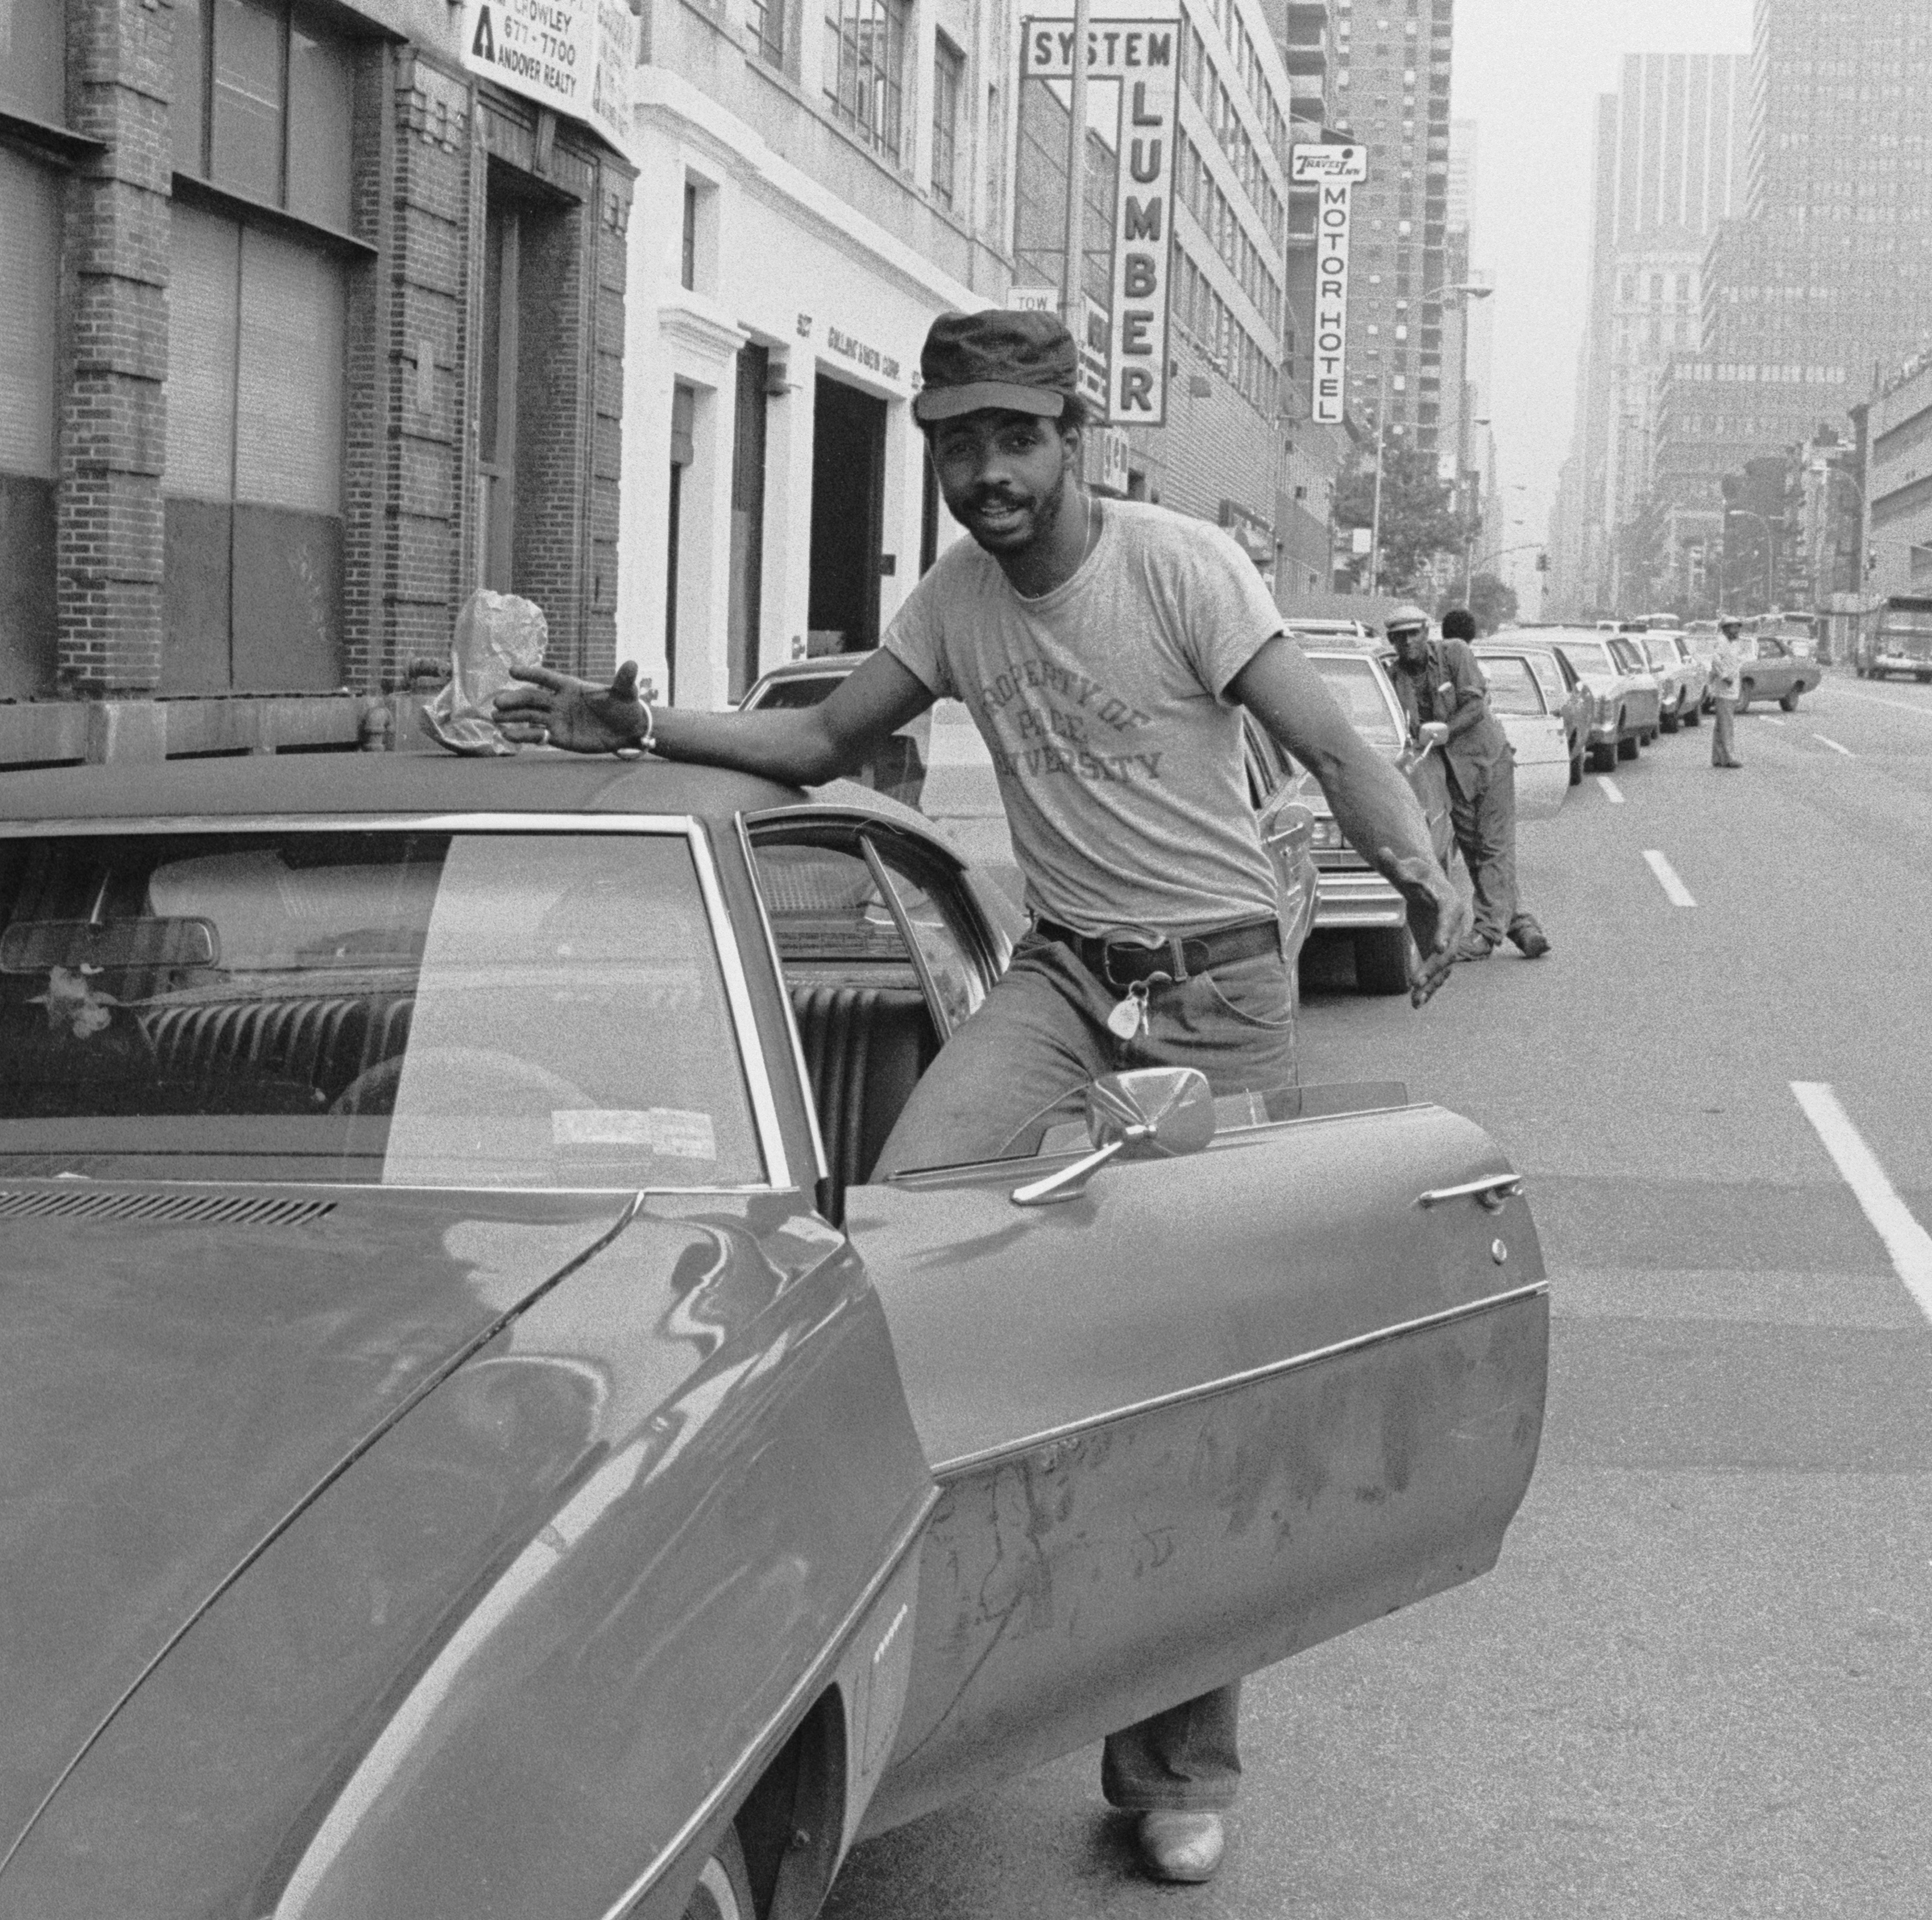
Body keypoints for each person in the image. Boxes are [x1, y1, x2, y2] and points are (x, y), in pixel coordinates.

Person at [494, 305, 1465, 1886]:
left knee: (1199, 1362)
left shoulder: (1181, 571)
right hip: (1067, 976)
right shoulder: (952, 601)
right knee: (905, 1239)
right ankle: (917, 1641)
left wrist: (1420, 871)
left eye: (1017, 438)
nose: (990, 473)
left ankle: (1178, 1761)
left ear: (1073, 435)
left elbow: (1332, 743)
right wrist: (637, 721)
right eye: (961, 444)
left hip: (1215, 994)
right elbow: (817, 739)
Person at [1406, 609, 1548, 962]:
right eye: (1397, 637)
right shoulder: (1395, 676)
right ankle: (1520, 925)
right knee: (1476, 852)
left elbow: (1475, 707)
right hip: (1451, 774)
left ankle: (1485, 933)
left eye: (1412, 633)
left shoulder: (1455, 653)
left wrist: (1443, 732)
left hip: (1489, 761)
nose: (1406, 642)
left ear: (1427, 632)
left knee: (1495, 847)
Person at [1710, 619, 1746, 769]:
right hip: (1725, 689)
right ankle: (1729, 757)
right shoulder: (1722, 641)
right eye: (1734, 628)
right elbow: (1715, 660)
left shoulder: (1735, 643)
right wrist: (1725, 676)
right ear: (1726, 629)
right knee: (1727, 725)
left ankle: (1718, 757)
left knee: (1721, 725)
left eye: (1738, 627)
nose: (1737, 631)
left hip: (1732, 689)